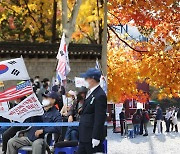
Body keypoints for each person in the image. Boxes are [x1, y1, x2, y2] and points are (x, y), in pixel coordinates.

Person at [77, 68, 107, 154]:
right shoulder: (90, 93)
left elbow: (99, 117)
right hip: (84, 136)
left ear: (92, 79)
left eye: (86, 78)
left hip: (91, 137)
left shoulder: (100, 95)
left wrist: (96, 136)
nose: (85, 80)